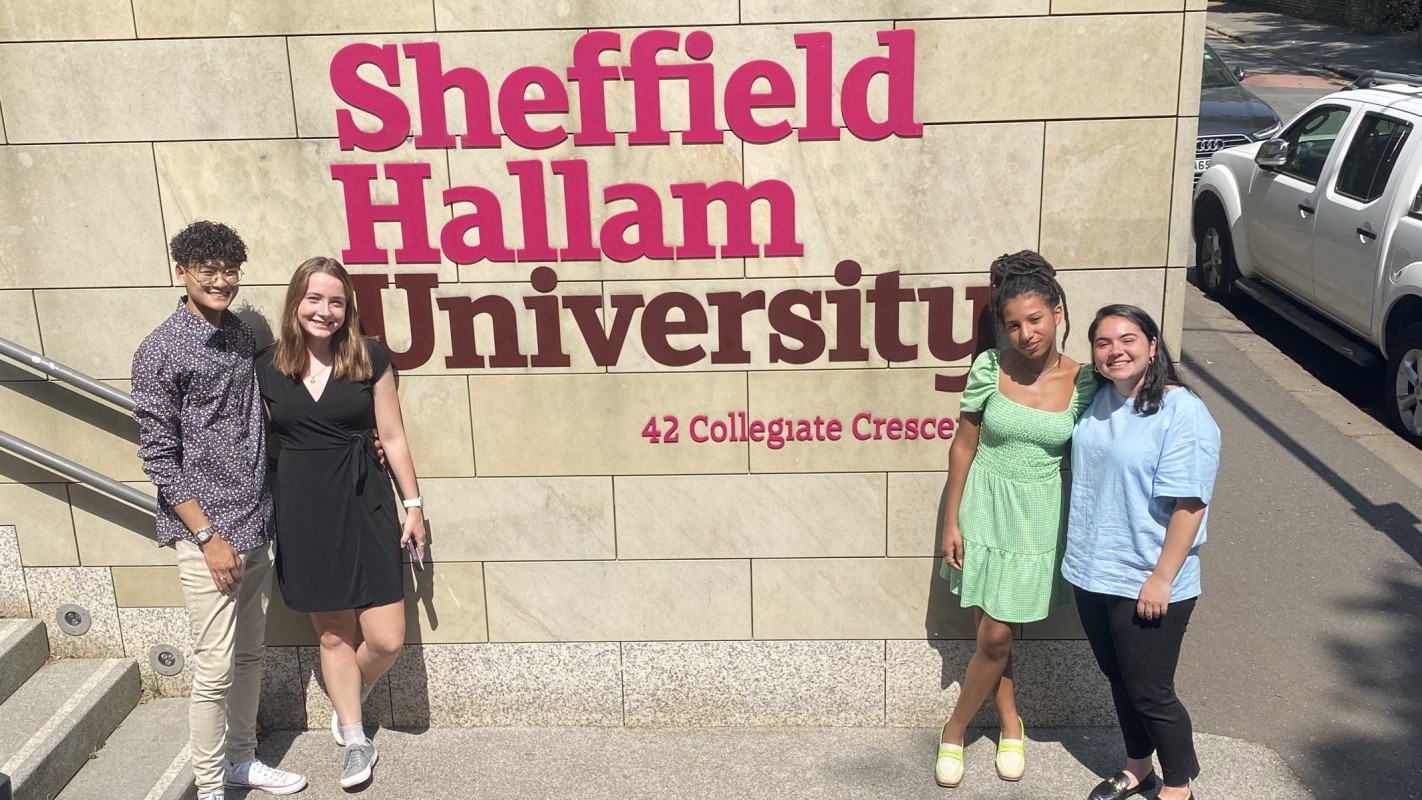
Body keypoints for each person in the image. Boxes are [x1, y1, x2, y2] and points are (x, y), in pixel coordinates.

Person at [131, 220, 308, 800]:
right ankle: (210, 787)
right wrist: (207, 535)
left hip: (257, 521)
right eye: (207, 270)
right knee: (213, 669)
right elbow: (159, 456)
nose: (221, 281)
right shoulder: (160, 350)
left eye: (230, 270)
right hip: (209, 534)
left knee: (251, 652)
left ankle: (242, 760)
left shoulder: (239, 333)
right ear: (180, 272)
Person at [255, 257, 425, 790]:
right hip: (304, 507)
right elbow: (249, 444)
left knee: (386, 638)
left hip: (366, 500)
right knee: (332, 635)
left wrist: (414, 504)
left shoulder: (369, 357)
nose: (324, 311)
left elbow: (392, 435)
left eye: (335, 301)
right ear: (295, 302)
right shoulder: (265, 367)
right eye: (314, 299)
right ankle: (355, 738)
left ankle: (351, 687)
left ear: (347, 308)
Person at [935, 251, 1099, 788]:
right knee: (995, 633)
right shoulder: (989, 367)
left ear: (1057, 311)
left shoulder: (1085, 382)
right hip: (984, 508)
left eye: (1035, 319)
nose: (1025, 333)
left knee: (998, 632)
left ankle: (970, 725)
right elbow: (964, 445)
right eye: (1013, 324)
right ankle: (989, 727)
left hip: (1038, 518)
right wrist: (952, 521)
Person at [1064, 305, 1220, 800]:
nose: (1116, 351)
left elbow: (1190, 503)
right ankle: (1137, 768)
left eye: (1128, 339)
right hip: (1092, 570)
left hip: (1149, 577)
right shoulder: (1098, 399)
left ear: (1153, 346)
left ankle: (1178, 785)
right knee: (1120, 679)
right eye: (1104, 343)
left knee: (1152, 692)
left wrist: (1161, 578)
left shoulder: (1181, 410)